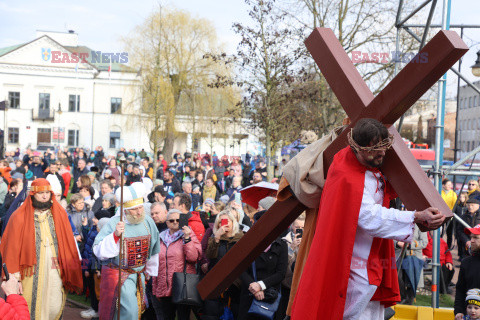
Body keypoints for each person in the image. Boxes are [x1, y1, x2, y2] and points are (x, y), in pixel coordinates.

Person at [291, 118, 446, 320]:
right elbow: (368, 216)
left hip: (370, 254)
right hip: (353, 260)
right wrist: (415, 216)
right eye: (375, 149)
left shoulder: (362, 164)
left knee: (373, 309)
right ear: (358, 148)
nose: (382, 153)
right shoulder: (348, 176)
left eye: (384, 147)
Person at [0, 178, 83, 319]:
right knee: (28, 308)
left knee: (54, 304)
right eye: (40, 193)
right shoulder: (18, 216)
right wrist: (14, 279)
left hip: (55, 270)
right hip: (28, 274)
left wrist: (69, 268)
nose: (45, 196)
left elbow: (68, 244)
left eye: (47, 193)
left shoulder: (60, 214)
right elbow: (11, 250)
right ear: (32, 195)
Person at [93, 182, 160, 320]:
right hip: (120, 276)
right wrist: (115, 235)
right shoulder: (114, 223)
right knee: (128, 313)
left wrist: (150, 272)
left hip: (140, 275)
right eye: (135, 209)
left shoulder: (148, 222)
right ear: (126, 210)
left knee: (133, 312)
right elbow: (98, 250)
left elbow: (154, 248)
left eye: (141, 207)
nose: (140, 212)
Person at [237, 210, 288, 320]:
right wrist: (254, 287)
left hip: (270, 296)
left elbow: (281, 273)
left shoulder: (281, 245)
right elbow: (241, 270)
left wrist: (261, 286)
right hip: (249, 295)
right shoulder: (247, 243)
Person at [151, 209, 202, 320]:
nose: (175, 222)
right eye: (171, 220)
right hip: (164, 286)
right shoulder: (160, 237)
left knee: (183, 317)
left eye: (178, 220)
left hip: (182, 286)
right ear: (167, 222)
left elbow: (193, 258)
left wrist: (187, 238)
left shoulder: (189, 235)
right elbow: (155, 264)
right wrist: (155, 288)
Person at [203, 210, 244, 319]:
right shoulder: (214, 237)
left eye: (227, 221)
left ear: (233, 222)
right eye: (220, 222)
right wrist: (216, 238)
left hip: (234, 283)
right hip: (215, 283)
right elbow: (210, 256)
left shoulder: (241, 238)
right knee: (214, 313)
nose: (224, 224)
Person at [455, 224, 480, 320]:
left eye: (476, 237)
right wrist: (458, 311)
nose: (471, 240)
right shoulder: (466, 262)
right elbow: (460, 289)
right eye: (471, 237)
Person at [442, 179, 457, 248]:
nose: (449, 186)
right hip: (441, 214)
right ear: (443, 185)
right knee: (440, 232)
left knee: (449, 232)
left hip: (449, 215)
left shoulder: (453, 194)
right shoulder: (440, 192)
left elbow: (454, 205)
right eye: (448, 185)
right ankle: (440, 246)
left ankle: (448, 246)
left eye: (450, 185)